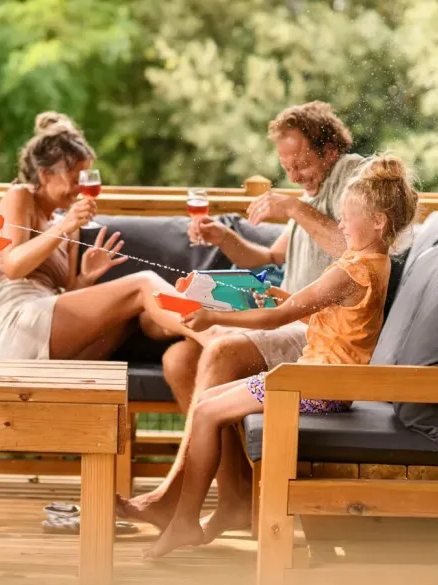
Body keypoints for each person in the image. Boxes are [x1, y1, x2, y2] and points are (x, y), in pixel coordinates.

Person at [143, 154, 420, 558]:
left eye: (347, 217)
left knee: (205, 411)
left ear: (379, 222)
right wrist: (287, 296)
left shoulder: (354, 269)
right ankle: (208, 512)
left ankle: (185, 521)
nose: (340, 225)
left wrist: (214, 313)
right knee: (208, 403)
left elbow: (278, 320)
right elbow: (328, 311)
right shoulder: (370, 263)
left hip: (316, 386)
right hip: (317, 379)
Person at [118, 101, 365, 536]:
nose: (294, 174)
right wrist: (224, 237)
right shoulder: (311, 193)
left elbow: (350, 247)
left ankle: (173, 497)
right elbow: (270, 257)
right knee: (178, 361)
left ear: (329, 151)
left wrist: (291, 208)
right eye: (286, 164)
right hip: (287, 316)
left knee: (221, 348)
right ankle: (235, 499)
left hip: (316, 329)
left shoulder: (350, 175)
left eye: (302, 161)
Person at [0, 114, 207, 361]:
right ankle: (213, 332)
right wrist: (64, 227)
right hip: (16, 323)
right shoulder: (20, 197)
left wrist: (85, 277)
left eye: (87, 177)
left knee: (135, 315)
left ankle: (197, 337)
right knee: (143, 282)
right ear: (46, 175)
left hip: (47, 328)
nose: (82, 187)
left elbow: (63, 296)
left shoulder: (67, 224)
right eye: (76, 178)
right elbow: (14, 267)